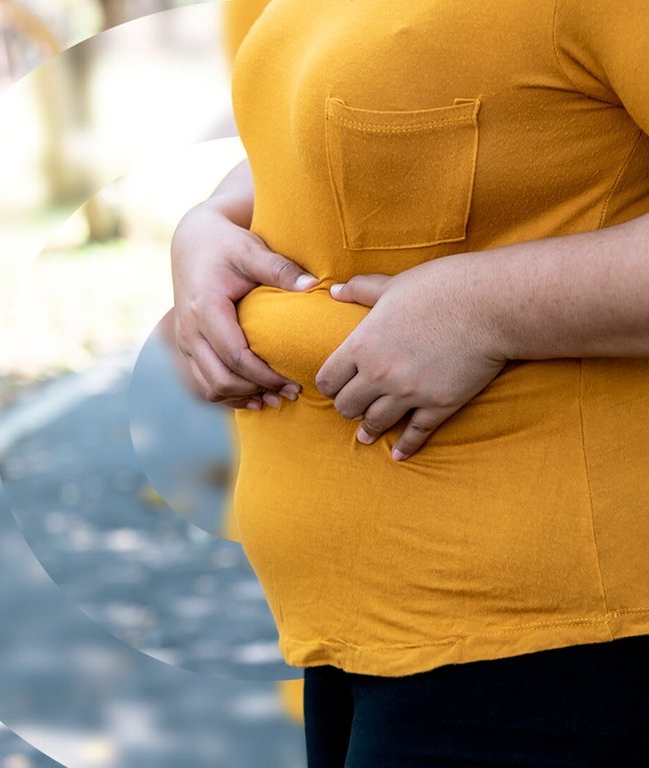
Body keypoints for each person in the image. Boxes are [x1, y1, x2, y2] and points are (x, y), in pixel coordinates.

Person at [171, 0, 649, 764]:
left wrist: (485, 309)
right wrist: (209, 223)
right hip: (366, 635)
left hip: (555, 644)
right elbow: (326, 125)